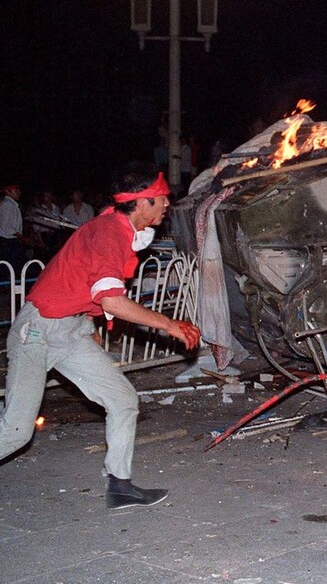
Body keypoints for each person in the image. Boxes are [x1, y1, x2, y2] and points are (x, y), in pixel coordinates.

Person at [0, 165, 201, 509]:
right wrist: (169, 325)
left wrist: (89, 329)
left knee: (123, 400)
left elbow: (86, 289)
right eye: (162, 198)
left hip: (70, 329)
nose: (168, 203)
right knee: (17, 432)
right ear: (142, 202)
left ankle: (120, 486)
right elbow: (111, 299)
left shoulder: (117, 229)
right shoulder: (109, 232)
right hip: (39, 329)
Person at [0, 183, 27, 271]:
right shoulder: (8, 205)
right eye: (16, 191)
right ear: (8, 192)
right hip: (8, 242)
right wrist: (23, 238)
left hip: (11, 241)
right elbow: (7, 228)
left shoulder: (12, 205)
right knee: (12, 268)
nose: (19, 193)